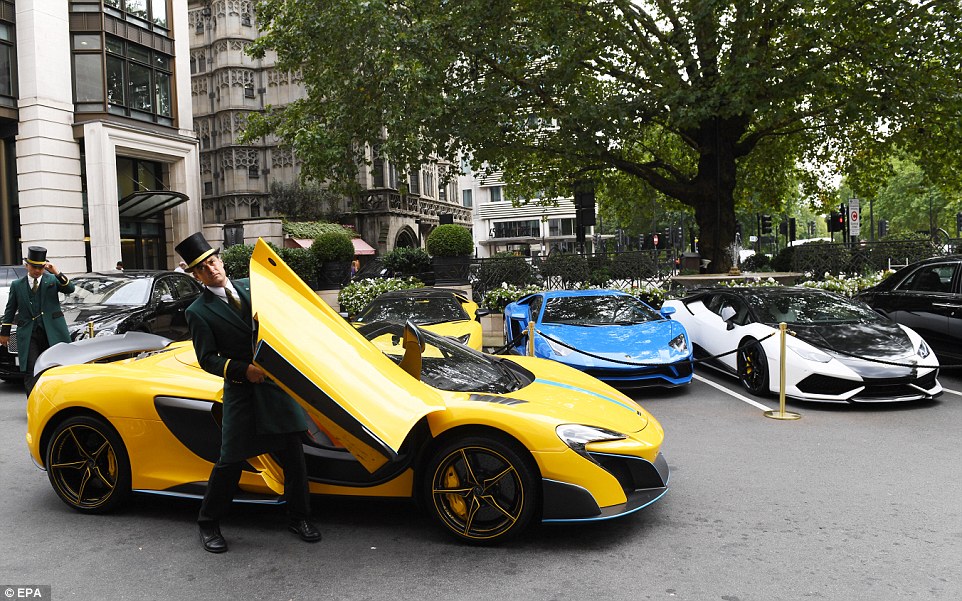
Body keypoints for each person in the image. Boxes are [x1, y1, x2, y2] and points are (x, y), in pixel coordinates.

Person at [175, 232, 321, 553]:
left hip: (274, 387)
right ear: (196, 275)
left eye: (213, 261)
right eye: (203, 268)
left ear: (221, 261)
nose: (212, 269)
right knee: (229, 463)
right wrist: (244, 370)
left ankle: (299, 517)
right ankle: (208, 523)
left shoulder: (251, 284)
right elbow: (208, 359)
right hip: (242, 393)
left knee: (294, 458)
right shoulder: (198, 311)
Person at [0, 246, 76, 395]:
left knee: (53, 367)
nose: (37, 271)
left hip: (52, 332)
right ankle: (34, 405)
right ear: (26, 266)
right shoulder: (17, 285)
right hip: (29, 333)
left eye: (41, 267)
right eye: (34, 267)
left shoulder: (53, 280)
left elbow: (70, 289)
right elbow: (10, 309)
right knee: (31, 369)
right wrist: (5, 333)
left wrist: (56, 272)